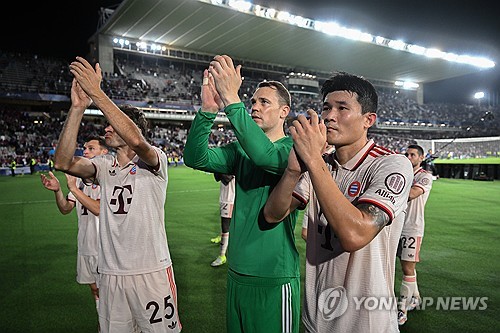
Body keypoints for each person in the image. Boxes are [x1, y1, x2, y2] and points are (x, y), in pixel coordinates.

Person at [263, 71, 414, 333]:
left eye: (342, 108)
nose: (329, 116)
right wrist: (292, 172)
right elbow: (272, 215)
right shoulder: (321, 165)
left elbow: (354, 235)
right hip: (315, 318)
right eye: (326, 107)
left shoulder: (391, 164)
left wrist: (313, 161)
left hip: (366, 323)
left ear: (369, 120)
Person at [55, 56, 181, 333]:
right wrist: (77, 108)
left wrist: (97, 93)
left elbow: (136, 141)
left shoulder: (154, 160)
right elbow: (63, 163)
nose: (106, 128)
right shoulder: (103, 166)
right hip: (110, 273)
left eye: (113, 124)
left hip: (151, 271)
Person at [184, 55, 300, 333]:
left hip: (273, 275)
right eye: (253, 102)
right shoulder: (239, 150)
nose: (255, 107)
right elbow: (195, 157)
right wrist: (208, 109)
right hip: (237, 271)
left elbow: (264, 156)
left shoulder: (293, 150)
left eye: (264, 102)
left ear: (284, 112)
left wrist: (231, 99)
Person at [40, 135, 109, 328]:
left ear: (104, 152)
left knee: (110, 293)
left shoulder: (108, 179)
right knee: (95, 291)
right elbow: (65, 209)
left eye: (91, 148)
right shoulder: (79, 182)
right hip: (86, 245)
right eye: (85, 148)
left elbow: (98, 209)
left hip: (105, 248)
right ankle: (103, 325)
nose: (85, 151)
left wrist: (72, 187)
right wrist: (58, 191)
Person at [397, 144, 433, 325]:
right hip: (396, 226)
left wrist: (393, 187)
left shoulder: (425, 177)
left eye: (413, 155)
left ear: (421, 158)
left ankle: (402, 310)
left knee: (407, 269)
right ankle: (416, 298)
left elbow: (412, 194)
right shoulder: (405, 174)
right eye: (407, 154)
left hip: (412, 228)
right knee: (404, 268)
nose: (408, 157)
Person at [211, 172, 235, 267]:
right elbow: (217, 177)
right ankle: (223, 244)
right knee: (225, 225)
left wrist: (218, 169)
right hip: (224, 197)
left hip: (230, 198)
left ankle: (222, 256)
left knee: (226, 227)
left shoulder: (232, 162)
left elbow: (227, 178)